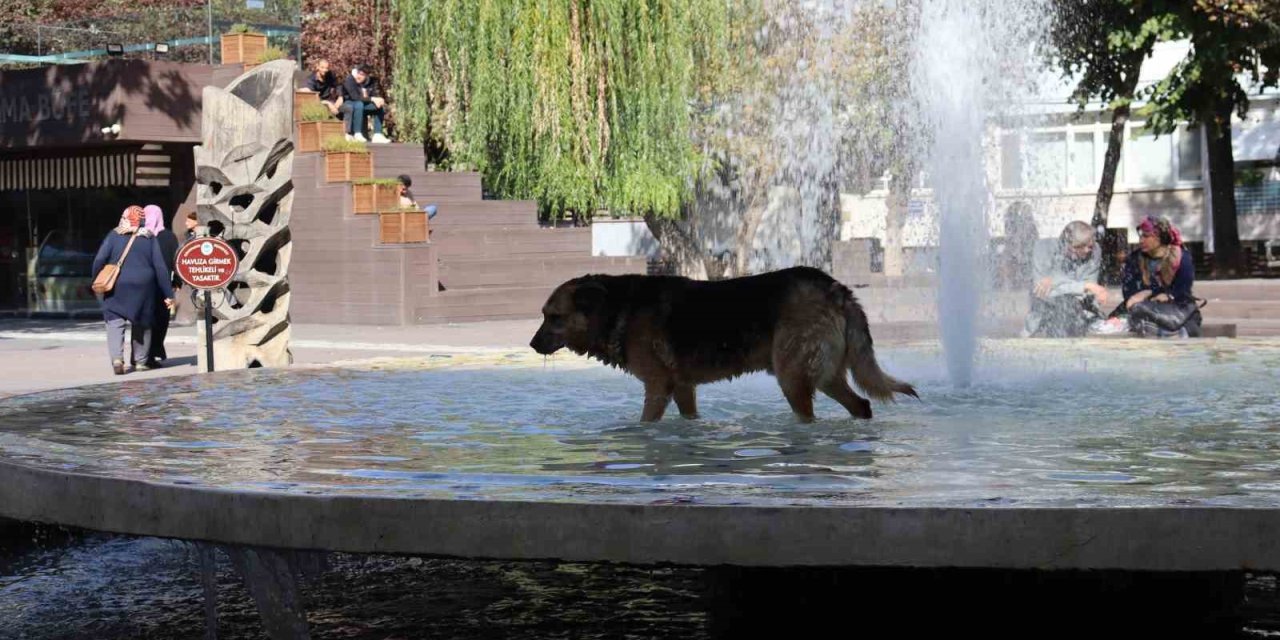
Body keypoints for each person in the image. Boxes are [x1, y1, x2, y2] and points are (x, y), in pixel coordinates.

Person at [91, 206, 175, 375]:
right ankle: (141, 362)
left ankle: (117, 359)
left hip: (117, 284)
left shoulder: (114, 235)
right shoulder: (149, 237)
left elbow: (100, 259)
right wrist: (168, 293)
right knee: (143, 322)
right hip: (144, 285)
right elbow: (159, 266)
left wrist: (95, 279)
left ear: (124, 217)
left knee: (115, 322)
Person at [1021, 220, 1108, 337]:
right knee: (1062, 306)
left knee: (1069, 306)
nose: (1088, 250)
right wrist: (1084, 286)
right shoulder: (1042, 249)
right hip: (1045, 316)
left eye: (1090, 245)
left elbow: (1088, 293)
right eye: (1082, 246)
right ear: (1068, 245)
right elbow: (1042, 292)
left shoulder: (1095, 250)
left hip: (1079, 313)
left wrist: (1054, 280)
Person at [1120, 215, 1200, 337]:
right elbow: (1129, 291)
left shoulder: (1182, 258)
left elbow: (1183, 291)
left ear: (1160, 237)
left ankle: (1172, 332)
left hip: (1175, 307)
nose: (1141, 240)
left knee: (1191, 326)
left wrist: (1163, 294)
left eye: (1146, 236)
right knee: (1124, 319)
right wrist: (1145, 294)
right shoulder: (1135, 258)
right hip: (1144, 307)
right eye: (1140, 236)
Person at [143, 205, 180, 367]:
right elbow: (177, 260)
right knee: (161, 319)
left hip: (143, 284)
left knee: (143, 319)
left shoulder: (141, 236)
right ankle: (153, 352)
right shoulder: (169, 237)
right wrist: (177, 281)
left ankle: (141, 356)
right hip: (163, 285)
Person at [340, 65, 390, 144]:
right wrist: (372, 99)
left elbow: (375, 93)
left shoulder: (371, 82)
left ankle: (377, 134)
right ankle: (357, 133)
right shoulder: (350, 80)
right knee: (359, 104)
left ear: (367, 76)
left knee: (379, 107)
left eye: (362, 75)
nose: (359, 76)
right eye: (358, 74)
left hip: (363, 104)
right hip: (349, 102)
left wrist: (379, 99)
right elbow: (355, 97)